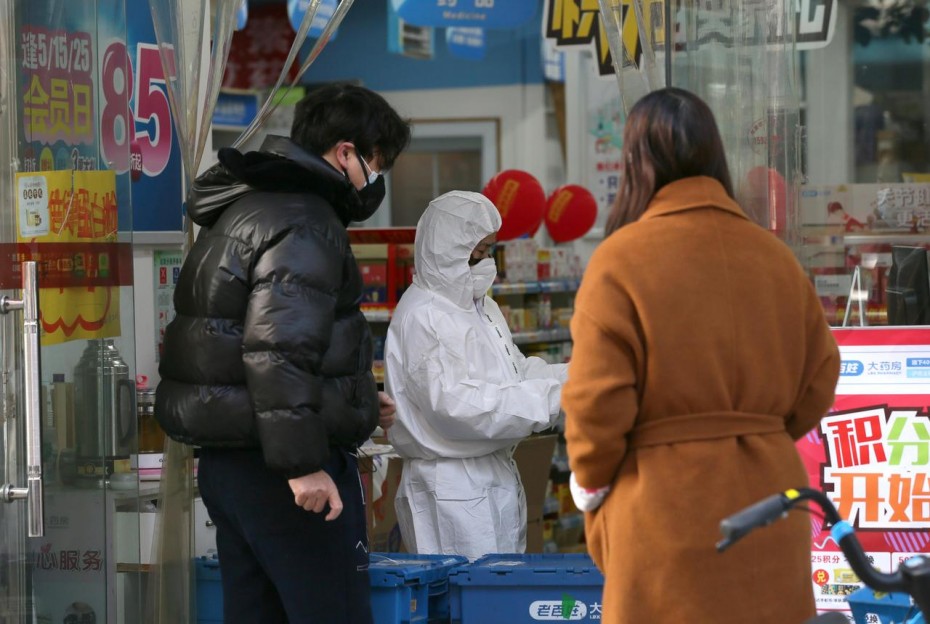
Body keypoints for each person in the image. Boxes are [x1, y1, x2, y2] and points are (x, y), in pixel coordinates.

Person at [561, 87, 840, 624]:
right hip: (771, 502)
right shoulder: (775, 259)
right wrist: (761, 431)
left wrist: (590, 485)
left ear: (636, 163)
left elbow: (597, 401)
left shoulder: (621, 260)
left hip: (665, 511)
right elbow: (819, 379)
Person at [154, 82, 410, 624]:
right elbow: (278, 348)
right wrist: (303, 464)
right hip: (282, 472)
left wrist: (356, 397)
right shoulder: (307, 222)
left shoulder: (246, 208)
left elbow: (248, 341)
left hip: (233, 463)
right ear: (346, 153)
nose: (376, 178)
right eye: (376, 162)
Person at [384, 190, 567, 561]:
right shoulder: (425, 315)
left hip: (490, 478)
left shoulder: (480, 306)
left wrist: (577, 376)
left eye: (489, 249)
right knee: (465, 606)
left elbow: (514, 372)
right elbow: (458, 408)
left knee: (496, 602)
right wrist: (554, 399)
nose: (485, 260)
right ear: (448, 247)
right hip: (451, 490)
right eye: (479, 251)